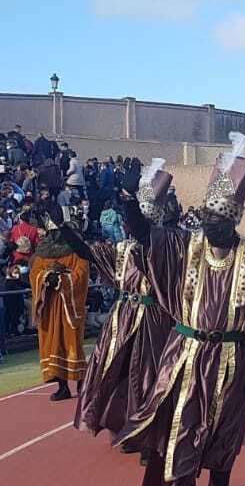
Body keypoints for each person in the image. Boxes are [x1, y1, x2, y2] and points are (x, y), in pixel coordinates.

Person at [116, 132, 245, 486]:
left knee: (226, 426)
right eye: (208, 218)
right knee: (184, 422)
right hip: (188, 352)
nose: (213, 226)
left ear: (233, 220)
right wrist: (128, 203)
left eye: (220, 220)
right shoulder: (185, 247)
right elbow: (145, 238)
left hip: (232, 355)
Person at [72, 159, 173, 462]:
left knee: (148, 377)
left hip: (154, 320)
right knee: (116, 374)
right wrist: (60, 227)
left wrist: (129, 199)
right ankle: (123, 426)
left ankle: (147, 434)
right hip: (123, 319)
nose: (127, 224)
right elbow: (87, 253)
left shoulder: (165, 245)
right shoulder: (122, 249)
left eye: (132, 219)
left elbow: (147, 241)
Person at [29, 217, 91, 401]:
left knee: (72, 344)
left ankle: (82, 383)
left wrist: (63, 279)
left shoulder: (77, 252)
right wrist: (47, 276)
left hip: (68, 304)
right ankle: (62, 386)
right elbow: (34, 273)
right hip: (49, 304)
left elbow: (81, 274)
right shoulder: (42, 253)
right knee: (53, 346)